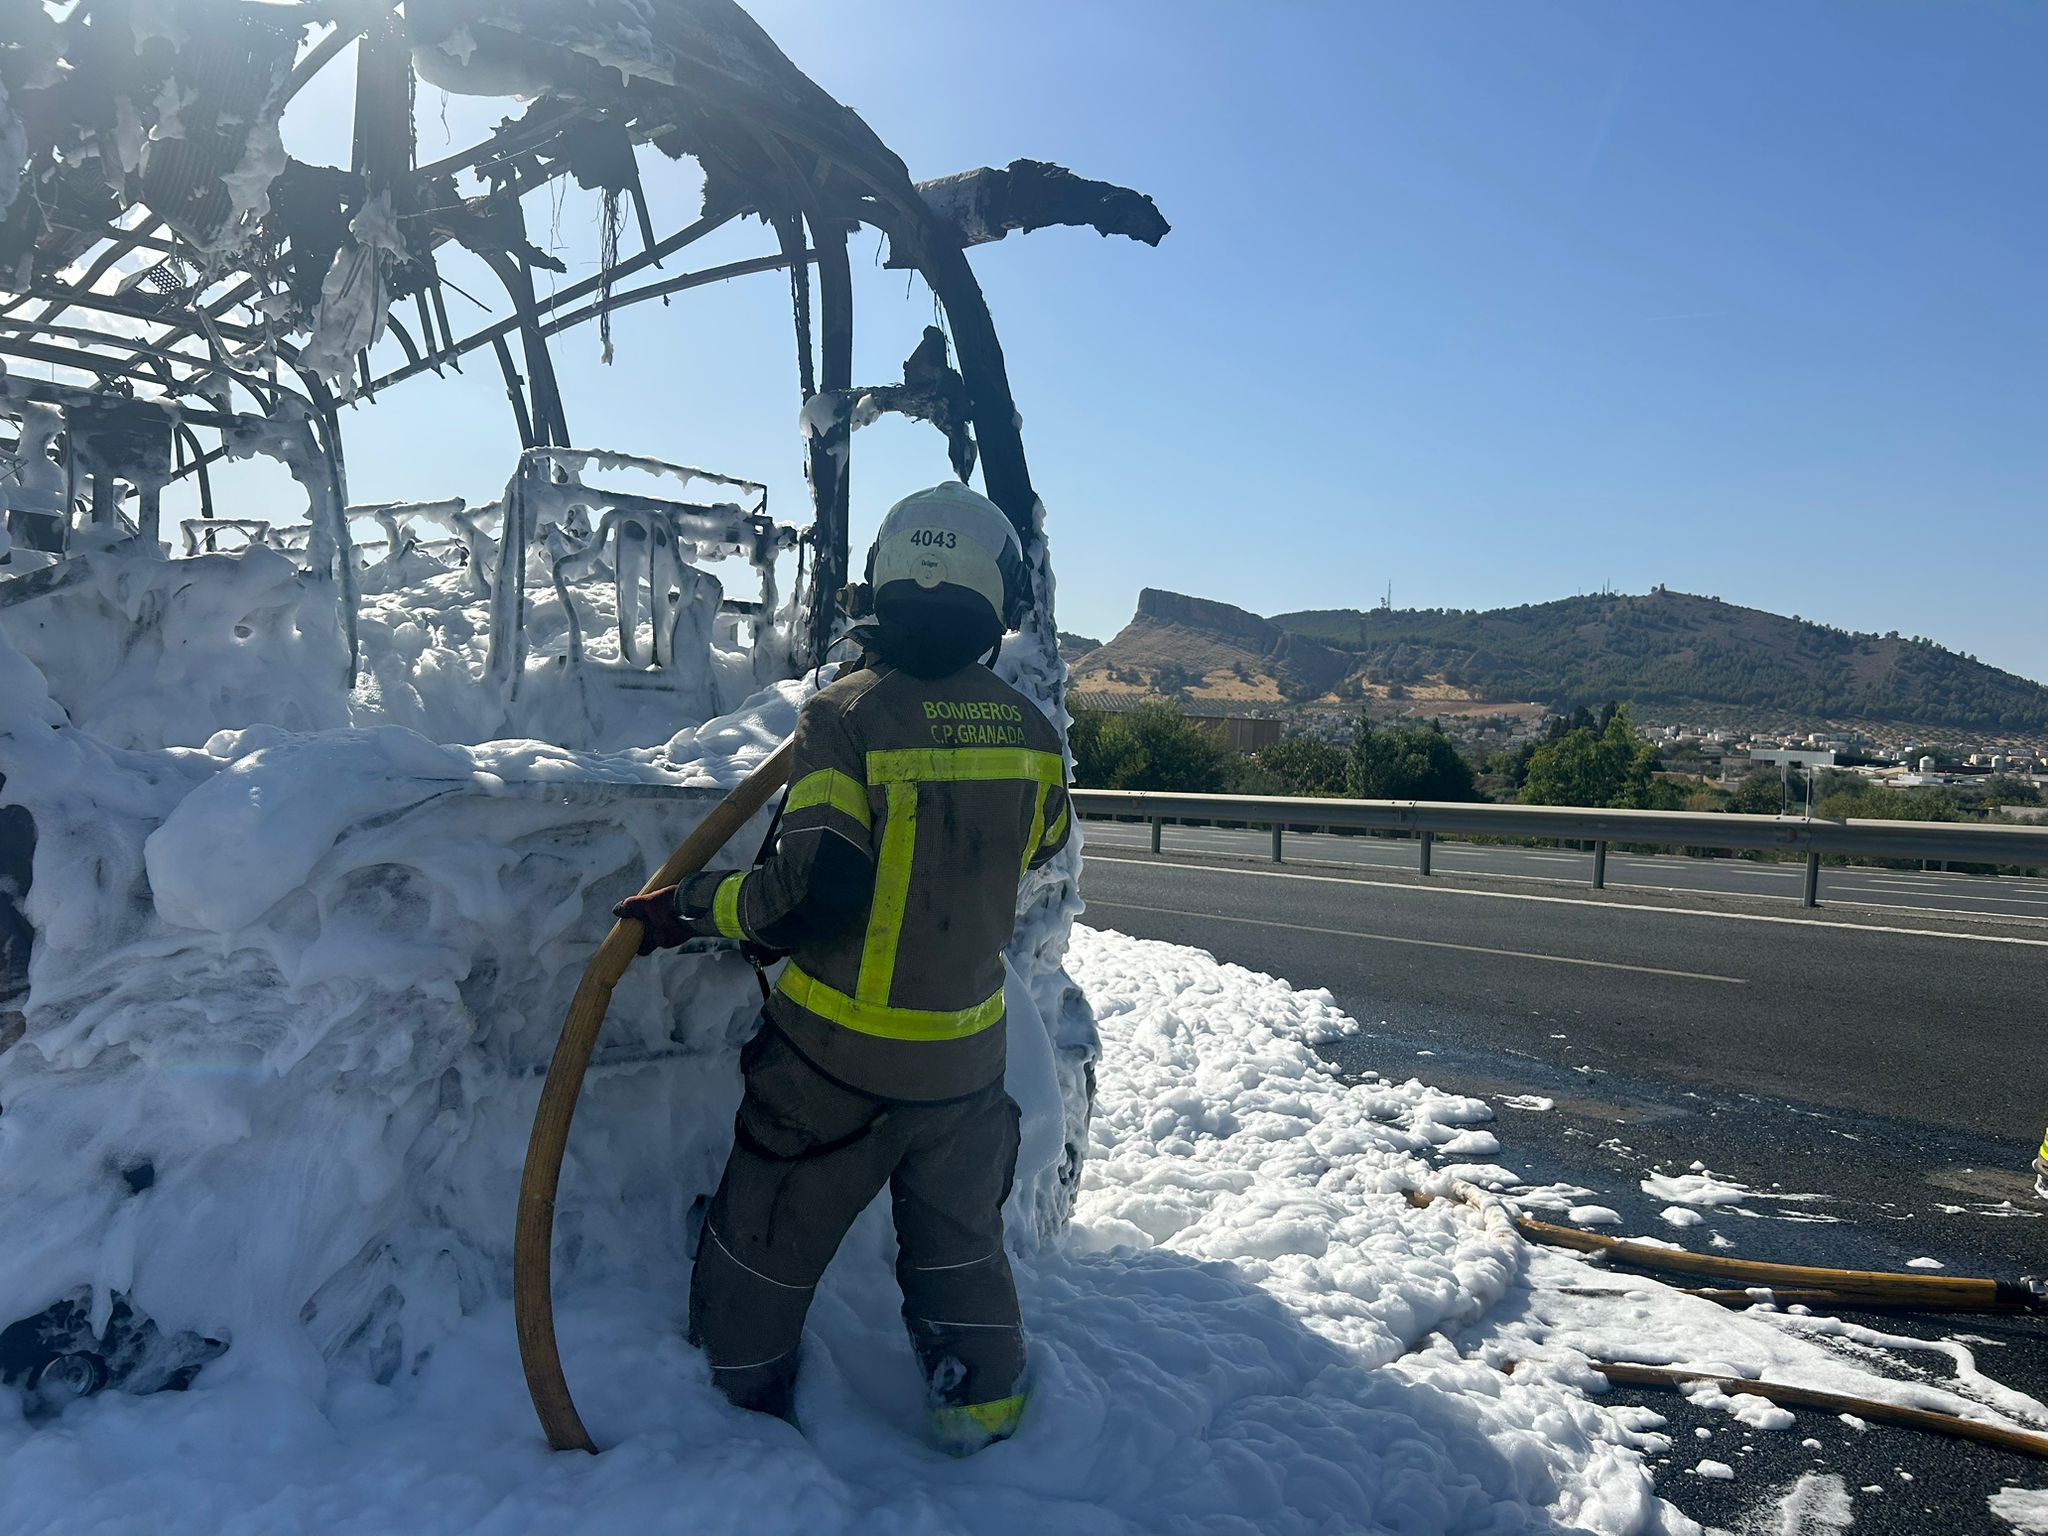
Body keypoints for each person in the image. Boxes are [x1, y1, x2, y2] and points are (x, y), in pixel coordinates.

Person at [615, 481, 1071, 1453]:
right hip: (965, 1062)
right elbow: (1037, 851)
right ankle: (984, 1421)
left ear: (882, 584)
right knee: (959, 1250)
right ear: (998, 598)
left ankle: (735, 1408)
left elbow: (809, 890)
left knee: (768, 1238)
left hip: (834, 1061)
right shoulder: (1033, 736)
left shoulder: (845, 716)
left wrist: (692, 909)